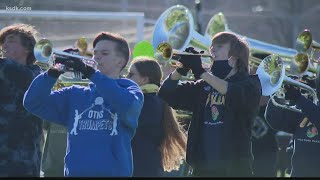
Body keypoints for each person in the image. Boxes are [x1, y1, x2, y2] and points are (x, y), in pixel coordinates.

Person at [23, 32, 144, 177]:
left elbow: (126, 104)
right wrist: (53, 72)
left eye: (104, 53)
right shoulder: (75, 94)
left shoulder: (130, 90)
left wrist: (91, 73)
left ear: (120, 61)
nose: (96, 57)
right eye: (95, 53)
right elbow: (32, 102)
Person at [158, 31, 262, 177]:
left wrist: (201, 71)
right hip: (202, 167)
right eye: (212, 47)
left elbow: (232, 92)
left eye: (219, 47)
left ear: (234, 57)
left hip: (235, 169)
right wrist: (180, 70)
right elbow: (166, 94)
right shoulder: (202, 86)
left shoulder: (251, 84)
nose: (212, 50)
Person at [127, 57, 187, 177]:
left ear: (144, 79)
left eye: (131, 74)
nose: (126, 78)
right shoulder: (154, 100)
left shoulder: (146, 102)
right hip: (145, 167)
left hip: (140, 168)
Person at [0, 23, 43, 176]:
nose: (4, 45)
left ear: (28, 48)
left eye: (11, 40)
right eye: (3, 42)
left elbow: (9, 68)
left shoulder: (35, 74)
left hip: (22, 159)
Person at [264, 81, 320, 177]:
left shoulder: (307, 106)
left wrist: (299, 98)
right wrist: (278, 90)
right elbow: (274, 119)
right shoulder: (309, 105)